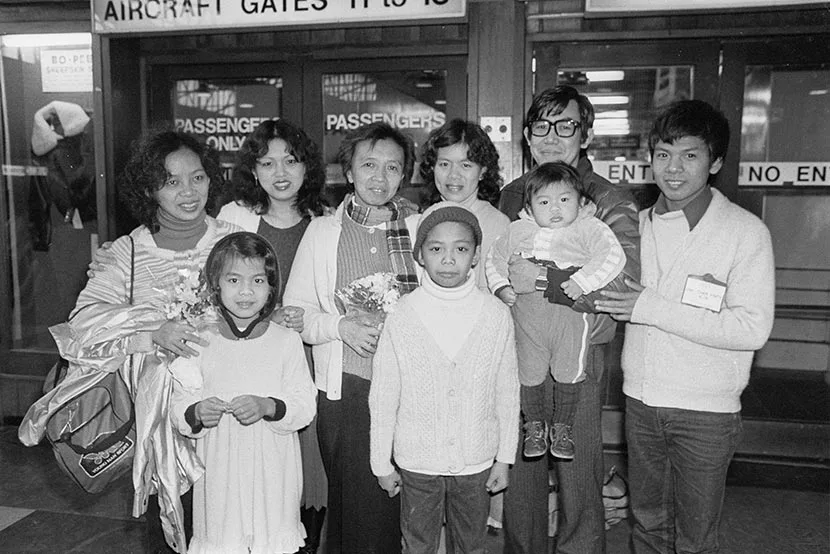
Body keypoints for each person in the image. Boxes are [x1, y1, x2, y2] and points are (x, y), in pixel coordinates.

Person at [21, 128, 240, 553]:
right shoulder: (127, 253)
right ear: (149, 189)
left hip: (233, 410)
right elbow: (83, 325)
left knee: (237, 522)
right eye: (171, 182)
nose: (188, 191)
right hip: (162, 426)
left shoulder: (233, 239)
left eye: (197, 177)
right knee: (175, 528)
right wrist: (149, 334)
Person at [595, 99, 775, 553]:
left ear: (714, 162)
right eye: (663, 154)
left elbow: (751, 328)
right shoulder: (633, 229)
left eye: (689, 155)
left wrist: (648, 306)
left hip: (706, 413)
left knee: (696, 539)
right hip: (640, 403)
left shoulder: (744, 232)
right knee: (647, 526)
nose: (673, 169)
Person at [499, 85, 641, 554]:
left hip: (579, 347)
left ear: (586, 133)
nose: (552, 136)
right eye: (542, 126)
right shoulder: (513, 196)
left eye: (566, 125)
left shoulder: (606, 199)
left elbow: (622, 284)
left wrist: (542, 281)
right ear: (526, 136)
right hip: (521, 343)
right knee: (523, 468)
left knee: (578, 473)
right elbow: (497, 267)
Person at [282, 122, 421, 554]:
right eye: (369, 165)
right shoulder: (324, 233)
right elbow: (297, 314)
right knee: (360, 511)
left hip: (414, 389)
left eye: (393, 167)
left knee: (409, 507)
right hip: (349, 390)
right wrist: (341, 328)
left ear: (404, 175)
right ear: (350, 170)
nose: (380, 178)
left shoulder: (421, 229)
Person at [369, 203, 519, 553]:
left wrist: (504, 457)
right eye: (436, 249)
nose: (448, 259)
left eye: (461, 249)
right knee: (418, 544)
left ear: (476, 255)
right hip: (417, 462)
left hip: (477, 460)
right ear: (420, 255)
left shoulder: (496, 315)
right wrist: (381, 461)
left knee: (471, 544)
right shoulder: (403, 315)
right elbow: (384, 394)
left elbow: (507, 392)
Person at [217, 118, 329, 553]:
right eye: (267, 163)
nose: (280, 173)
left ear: (307, 167)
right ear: (254, 170)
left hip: (310, 359)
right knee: (256, 472)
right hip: (252, 360)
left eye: (290, 161)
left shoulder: (327, 220)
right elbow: (208, 280)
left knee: (310, 472)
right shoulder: (234, 218)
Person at [170, 232, 317, 554]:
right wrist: (196, 412)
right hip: (219, 470)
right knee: (223, 542)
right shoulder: (199, 340)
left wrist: (268, 406)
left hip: (273, 470)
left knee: (272, 540)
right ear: (216, 286)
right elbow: (178, 405)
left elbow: (305, 405)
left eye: (258, 280)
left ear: (271, 287)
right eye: (234, 280)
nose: (246, 291)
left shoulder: (285, 341)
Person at [487, 162, 625, 460]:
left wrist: (582, 281)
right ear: (530, 206)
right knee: (528, 371)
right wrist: (501, 286)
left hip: (569, 318)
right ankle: (534, 426)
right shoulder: (518, 229)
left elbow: (614, 256)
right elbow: (494, 259)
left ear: (581, 201)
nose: (555, 209)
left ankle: (563, 428)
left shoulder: (589, 228)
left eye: (565, 200)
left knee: (569, 371)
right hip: (528, 317)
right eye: (544, 202)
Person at [419, 118, 510, 291]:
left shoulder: (497, 224)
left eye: (466, 165)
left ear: (483, 171)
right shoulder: (421, 218)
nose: (454, 175)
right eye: (444, 164)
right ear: (432, 167)